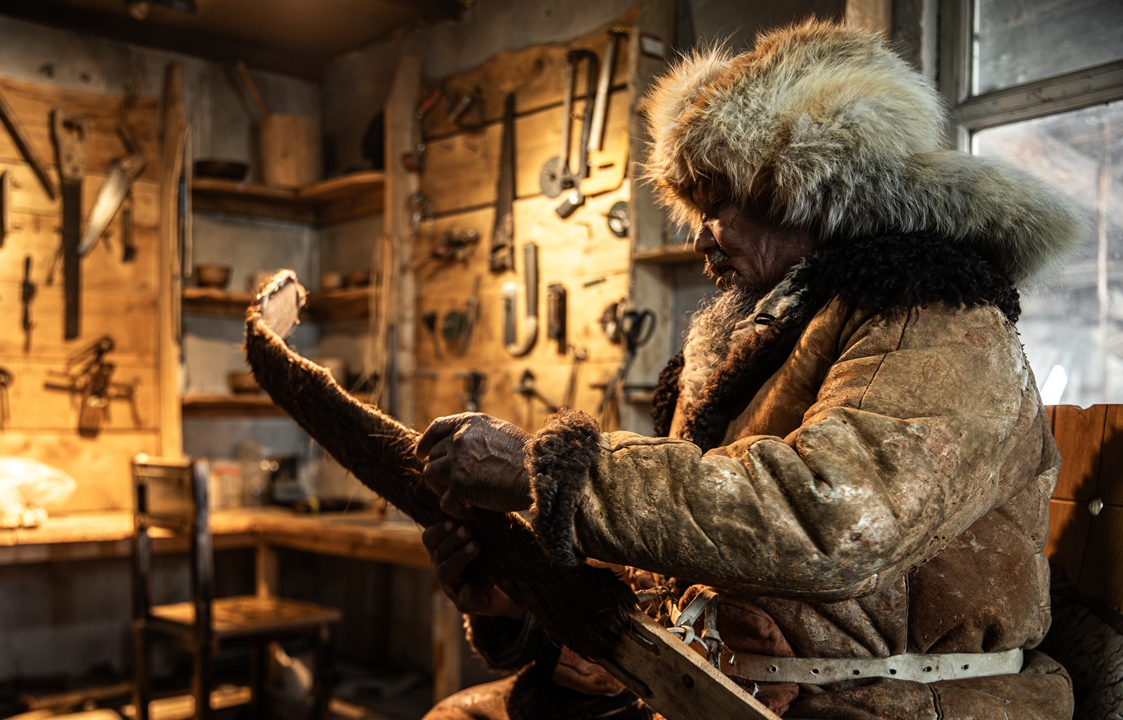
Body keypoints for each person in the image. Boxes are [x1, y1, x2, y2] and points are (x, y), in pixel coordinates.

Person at [415, 20, 1081, 720]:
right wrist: (524, 598)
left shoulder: (937, 317)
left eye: (718, 202)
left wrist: (547, 475)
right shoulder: (753, 341)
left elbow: (831, 518)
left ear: (812, 187)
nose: (701, 236)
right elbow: (687, 558)